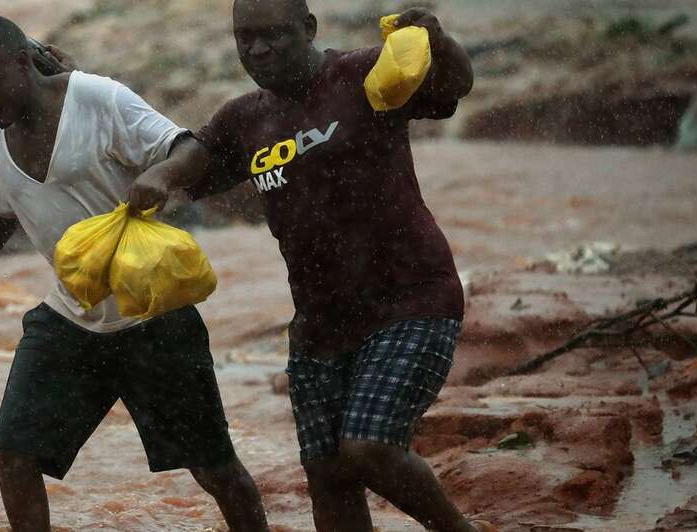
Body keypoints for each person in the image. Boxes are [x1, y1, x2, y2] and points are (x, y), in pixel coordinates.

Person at [119, 2, 497, 531]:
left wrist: (438, 38)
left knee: (369, 449)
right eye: (244, 38)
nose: (258, 48)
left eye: (272, 34)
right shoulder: (244, 118)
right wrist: (162, 175)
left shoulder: (363, 74)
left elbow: (454, 85)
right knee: (327, 475)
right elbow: (198, 155)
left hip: (412, 300)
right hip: (321, 325)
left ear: (309, 28)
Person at [0, 14, 268, 532]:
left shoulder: (99, 98)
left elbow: (188, 148)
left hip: (155, 319)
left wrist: (159, 175)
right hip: (70, 321)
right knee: (14, 455)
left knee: (215, 469)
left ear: (22, 62)